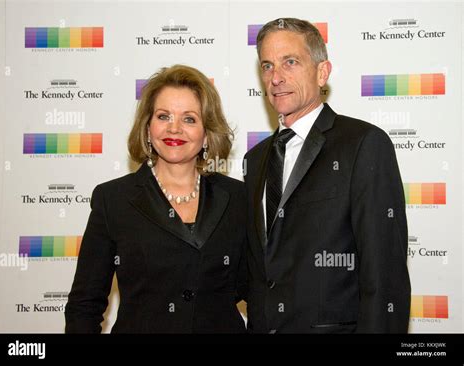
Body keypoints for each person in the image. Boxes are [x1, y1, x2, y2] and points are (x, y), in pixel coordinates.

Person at [244, 18, 411, 333]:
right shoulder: (255, 159)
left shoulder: (363, 144)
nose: (276, 77)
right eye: (267, 66)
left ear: (322, 72)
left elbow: (384, 277)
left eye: (290, 62)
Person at [65, 65, 247, 333]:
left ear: (207, 133)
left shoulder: (238, 198)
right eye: (163, 116)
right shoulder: (113, 200)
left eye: (189, 119)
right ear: (148, 127)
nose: (174, 129)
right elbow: (84, 305)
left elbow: (256, 291)